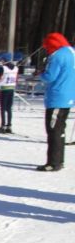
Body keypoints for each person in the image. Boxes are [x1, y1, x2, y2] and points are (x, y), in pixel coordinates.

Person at [37, 32, 75, 171]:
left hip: (57, 97)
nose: (47, 49)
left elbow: (50, 76)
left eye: (47, 47)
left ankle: (53, 162)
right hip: (69, 96)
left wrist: (41, 74)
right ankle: (60, 160)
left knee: (53, 130)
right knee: (60, 129)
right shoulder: (71, 51)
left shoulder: (58, 55)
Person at [0, 58, 18, 134]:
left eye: (2, 61)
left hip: (4, 89)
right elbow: (16, 78)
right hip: (11, 89)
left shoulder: (3, 68)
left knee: (3, 108)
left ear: (4, 61)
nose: (1, 62)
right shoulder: (16, 68)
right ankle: (9, 126)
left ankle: (3, 126)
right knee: (9, 108)